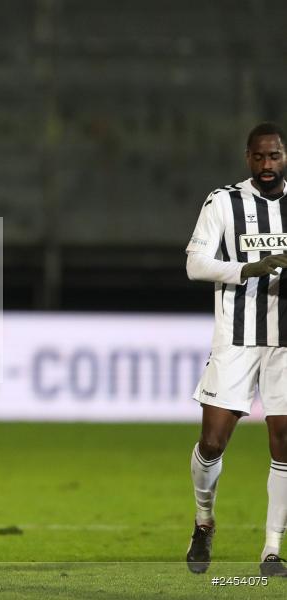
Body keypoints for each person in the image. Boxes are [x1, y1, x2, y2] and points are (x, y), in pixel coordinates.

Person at [185, 122, 287, 576]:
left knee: (283, 443)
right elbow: (194, 264)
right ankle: (204, 521)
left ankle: (271, 548)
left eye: (275, 156)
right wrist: (250, 268)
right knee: (212, 443)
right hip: (236, 340)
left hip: (285, 343)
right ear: (248, 158)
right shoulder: (223, 201)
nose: (268, 165)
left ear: (284, 157)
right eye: (260, 157)